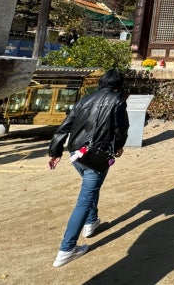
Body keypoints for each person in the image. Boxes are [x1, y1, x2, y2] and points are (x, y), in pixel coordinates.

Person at [47, 68, 129, 268]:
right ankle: (67, 249)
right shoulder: (117, 100)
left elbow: (65, 126)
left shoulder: (85, 100)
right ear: (118, 84)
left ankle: (91, 222)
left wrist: (55, 151)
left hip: (76, 153)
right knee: (85, 199)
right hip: (96, 155)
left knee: (90, 188)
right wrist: (118, 146)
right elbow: (121, 128)